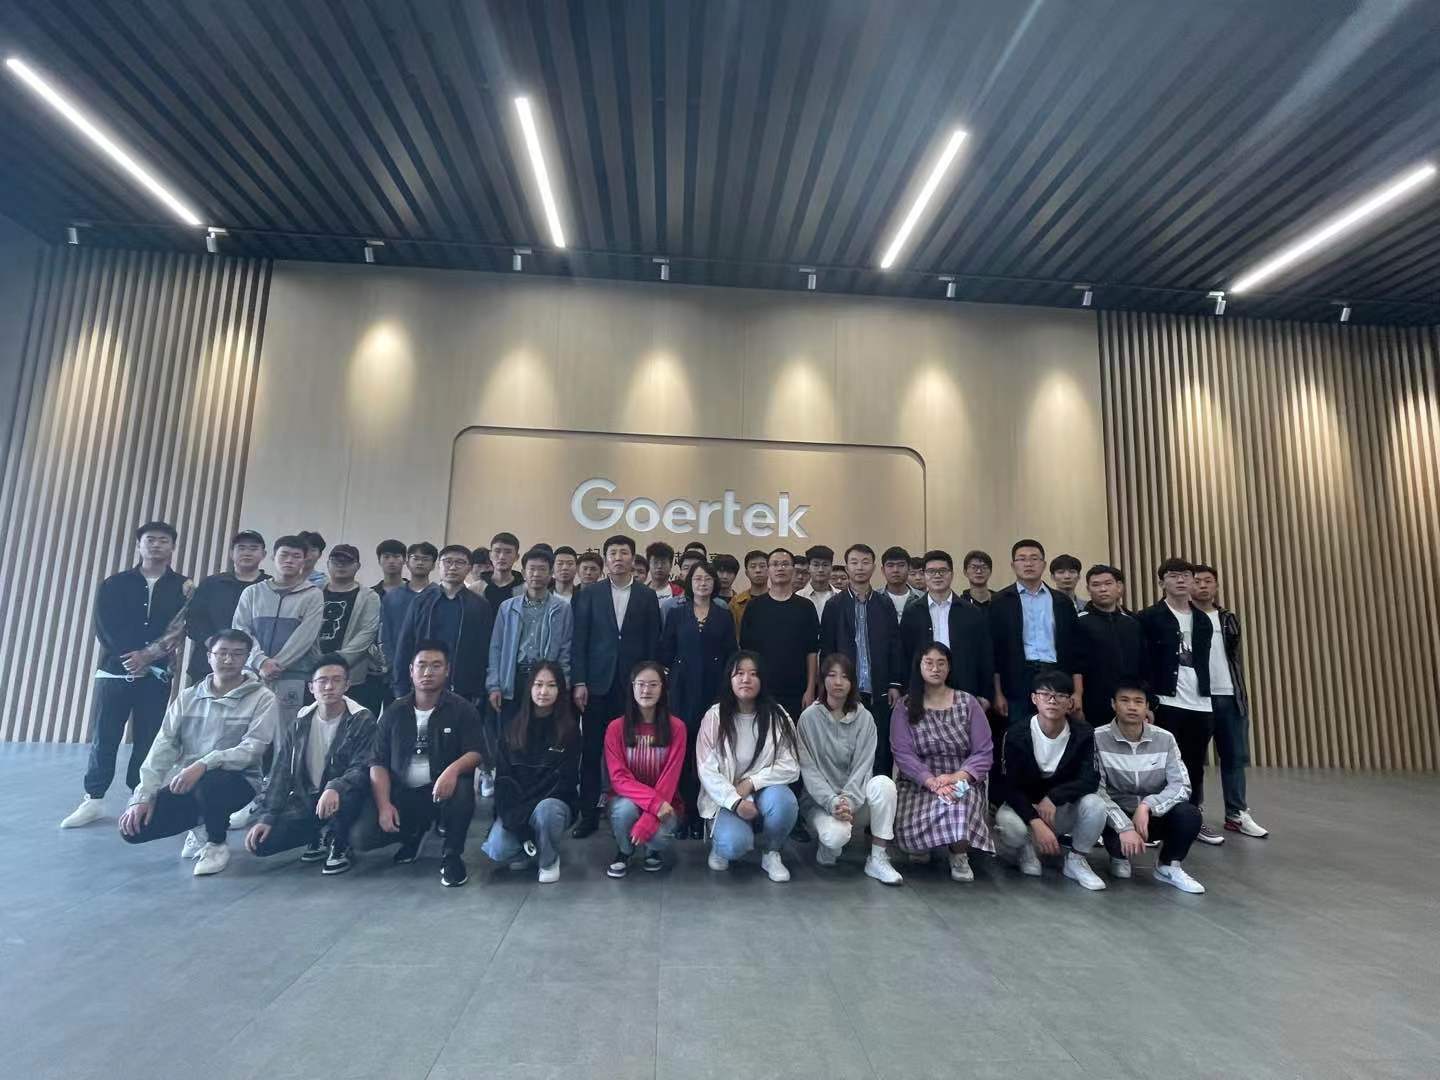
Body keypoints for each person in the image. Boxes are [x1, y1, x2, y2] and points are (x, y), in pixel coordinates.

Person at [62, 521, 194, 829]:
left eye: (163, 540)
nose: (156, 545)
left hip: (157, 673)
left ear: (173, 547)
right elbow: (104, 625)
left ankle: (139, 797)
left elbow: (180, 627)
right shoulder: (114, 583)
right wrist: (130, 657)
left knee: (148, 737)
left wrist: (147, 657)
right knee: (104, 736)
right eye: (150, 540)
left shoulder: (185, 587)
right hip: (114, 672)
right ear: (139, 545)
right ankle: (93, 799)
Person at [116, 629, 276, 875]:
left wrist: (204, 764)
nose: (228, 659)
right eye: (222, 653)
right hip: (188, 781)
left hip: (239, 780)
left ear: (246, 659)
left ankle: (216, 843)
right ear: (209, 656)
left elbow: (252, 749)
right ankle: (201, 823)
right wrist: (142, 797)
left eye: (237, 654)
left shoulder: (262, 697)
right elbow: (163, 746)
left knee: (211, 783)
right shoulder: (188, 697)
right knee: (133, 829)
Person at [359, 640, 483, 887]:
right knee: (361, 836)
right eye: (422, 665)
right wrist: (384, 805)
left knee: (463, 787)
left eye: (436, 666)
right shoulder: (394, 712)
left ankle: (452, 855)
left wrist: (452, 770)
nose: (428, 672)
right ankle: (413, 834)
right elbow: (377, 762)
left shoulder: (462, 709)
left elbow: (476, 752)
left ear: (447, 670)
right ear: (411, 670)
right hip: (403, 792)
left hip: (442, 792)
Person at [226, 534, 325, 830]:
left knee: (286, 742)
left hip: (292, 678)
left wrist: (277, 664)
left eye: (296, 556)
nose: (290, 561)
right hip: (253, 677)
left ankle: (275, 800)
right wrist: (259, 662)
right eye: (284, 555)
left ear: (305, 560)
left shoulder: (312, 595)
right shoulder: (253, 593)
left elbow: (306, 637)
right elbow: (241, 631)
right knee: (249, 738)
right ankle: (246, 798)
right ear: (273, 557)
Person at [244, 653, 376, 874]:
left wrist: (336, 786)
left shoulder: (361, 718)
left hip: (348, 796)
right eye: (322, 681)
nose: (329, 686)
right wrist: (268, 816)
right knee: (261, 841)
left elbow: (363, 767)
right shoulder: (300, 721)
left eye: (336, 680)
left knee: (352, 805)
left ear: (347, 685)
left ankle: (339, 841)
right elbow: (281, 770)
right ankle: (317, 834)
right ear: (311, 687)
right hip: (308, 799)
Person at [570, 533, 662, 837]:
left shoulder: (646, 596)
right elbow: (579, 642)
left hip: (632, 688)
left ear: (633, 559)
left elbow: (652, 643)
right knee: (591, 750)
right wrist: (579, 681)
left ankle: (630, 812)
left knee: (633, 752)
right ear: (605, 558)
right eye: (613, 553)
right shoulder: (589, 594)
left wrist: (648, 685)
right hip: (596, 685)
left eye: (624, 553)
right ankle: (588, 814)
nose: (618, 558)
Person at [992, 670, 1108, 889]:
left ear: (1070, 702)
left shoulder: (1083, 733)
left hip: (1060, 809)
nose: (1052, 701)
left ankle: (1076, 860)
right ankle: (1026, 849)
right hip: (1023, 808)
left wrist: (1054, 798)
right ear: (1034, 699)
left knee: (1096, 805)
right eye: (1045, 694)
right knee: (1012, 829)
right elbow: (1008, 786)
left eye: (1060, 695)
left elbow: (1090, 779)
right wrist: (1035, 821)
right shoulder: (1015, 734)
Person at [889, 643, 993, 881]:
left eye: (941, 663)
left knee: (959, 804)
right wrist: (931, 781)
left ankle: (959, 855)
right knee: (921, 812)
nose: (935, 669)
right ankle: (921, 844)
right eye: (929, 663)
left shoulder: (968, 703)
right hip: (919, 782)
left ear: (949, 667)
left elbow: (983, 751)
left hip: (961, 778)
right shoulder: (905, 706)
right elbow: (903, 753)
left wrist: (956, 778)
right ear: (919, 667)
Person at [1139, 557, 1224, 845]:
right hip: (1165, 700)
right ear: (1161, 582)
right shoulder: (1149, 617)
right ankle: (1154, 822)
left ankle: (1192, 818)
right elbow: (1143, 661)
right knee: (1158, 764)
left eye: (1186, 575)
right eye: (1173, 575)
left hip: (1200, 702)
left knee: (1193, 764)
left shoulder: (1203, 619)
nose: (1180, 580)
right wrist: (1148, 700)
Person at [796, 654, 902, 884]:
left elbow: (863, 766)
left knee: (884, 785)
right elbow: (809, 771)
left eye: (845, 677)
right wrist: (833, 802)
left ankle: (878, 858)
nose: (838, 682)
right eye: (832, 675)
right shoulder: (808, 719)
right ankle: (828, 846)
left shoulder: (865, 719)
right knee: (836, 837)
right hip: (820, 803)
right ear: (822, 680)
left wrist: (848, 801)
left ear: (853, 682)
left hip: (854, 802)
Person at [1093, 679, 1206, 893]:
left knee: (1189, 814)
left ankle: (1168, 865)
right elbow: (1096, 790)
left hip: (1152, 815)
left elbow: (1181, 785)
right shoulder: (1097, 738)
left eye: (1138, 701)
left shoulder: (1165, 739)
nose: (1132, 707)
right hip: (1116, 817)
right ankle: (1118, 855)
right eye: (1124, 700)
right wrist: (1124, 827)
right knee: (1120, 868)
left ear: (1147, 707)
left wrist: (1147, 806)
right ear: (1113, 704)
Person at [696, 652, 800, 881]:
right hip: (726, 796)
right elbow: (706, 770)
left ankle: (771, 852)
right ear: (730, 679)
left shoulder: (778, 716)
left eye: (753, 674)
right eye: (740, 673)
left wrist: (752, 782)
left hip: (764, 791)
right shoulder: (714, 717)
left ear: (762, 680)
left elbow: (791, 765)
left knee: (785, 802)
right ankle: (720, 845)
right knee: (734, 844)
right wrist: (735, 801)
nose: (746, 679)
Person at [658, 559, 736, 837]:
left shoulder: (724, 615)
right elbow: (665, 653)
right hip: (682, 690)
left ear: (715, 584)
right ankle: (685, 813)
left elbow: (731, 655)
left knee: (709, 752)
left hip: (714, 690)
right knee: (682, 751)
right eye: (697, 579)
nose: (703, 584)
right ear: (690, 583)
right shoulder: (676, 614)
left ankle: (706, 812)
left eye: (707, 579)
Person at [483, 661, 580, 883]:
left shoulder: (569, 731)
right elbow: (504, 782)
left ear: (560, 690)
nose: (544, 691)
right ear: (529, 688)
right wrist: (517, 822)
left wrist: (527, 813)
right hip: (518, 806)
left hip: (552, 803)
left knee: (547, 812)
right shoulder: (511, 728)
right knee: (497, 849)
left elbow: (564, 782)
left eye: (551, 685)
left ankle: (548, 860)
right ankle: (531, 847)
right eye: (538, 684)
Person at [1192, 564, 1268, 839]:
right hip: (1197, 697)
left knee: (1234, 757)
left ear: (1216, 586)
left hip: (1230, 695)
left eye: (1208, 581)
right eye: (1197, 581)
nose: (1202, 586)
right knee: (1194, 759)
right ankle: (1193, 812)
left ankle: (1236, 813)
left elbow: (1233, 656)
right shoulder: (1183, 617)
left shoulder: (1227, 618)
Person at [818, 542, 904, 775]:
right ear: (846, 567)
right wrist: (827, 685)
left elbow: (895, 645)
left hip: (878, 688)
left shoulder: (884, 603)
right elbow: (827, 648)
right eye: (854, 562)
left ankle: (879, 790)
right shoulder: (834, 605)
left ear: (874, 567)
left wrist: (894, 683)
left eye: (865, 562)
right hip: (845, 687)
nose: (860, 567)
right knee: (845, 747)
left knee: (880, 747)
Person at [603, 661, 687, 877]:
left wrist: (649, 820)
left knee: (657, 837)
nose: (646, 690)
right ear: (632, 687)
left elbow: (670, 779)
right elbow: (619, 779)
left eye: (653, 685)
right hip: (628, 801)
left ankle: (652, 851)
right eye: (640, 684)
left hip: (666, 803)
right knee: (624, 811)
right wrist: (654, 804)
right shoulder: (615, 728)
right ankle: (624, 851)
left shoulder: (677, 728)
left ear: (663, 689)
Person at [989, 538, 1080, 726]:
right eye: (1022, 559)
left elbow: (1075, 651)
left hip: (1056, 674)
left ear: (1044, 564)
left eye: (1034, 558)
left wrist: (1077, 692)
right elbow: (994, 651)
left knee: (1056, 732)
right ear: (1013, 565)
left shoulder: (1062, 602)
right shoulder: (1000, 601)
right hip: (1016, 679)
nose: (1028, 563)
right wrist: (997, 693)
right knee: (1019, 732)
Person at [391, 544, 494, 705]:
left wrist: (479, 690)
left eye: (459, 562)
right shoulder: (421, 602)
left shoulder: (480, 605)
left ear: (469, 568)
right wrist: (400, 688)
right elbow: (405, 644)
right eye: (447, 561)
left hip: (464, 689)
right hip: (423, 685)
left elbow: (484, 650)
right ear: (438, 565)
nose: (452, 567)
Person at [487, 546, 573, 730]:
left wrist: (563, 684)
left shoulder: (562, 609)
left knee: (542, 731)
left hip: (545, 680)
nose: (536, 574)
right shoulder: (507, 607)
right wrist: (494, 685)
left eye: (542, 569)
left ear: (551, 574)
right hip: (514, 678)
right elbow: (496, 648)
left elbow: (565, 650)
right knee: (510, 733)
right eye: (531, 569)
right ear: (523, 572)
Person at [899, 549, 994, 704]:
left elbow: (984, 654)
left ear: (952, 574)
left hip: (964, 686)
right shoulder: (912, 613)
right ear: (924, 575)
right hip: (924, 689)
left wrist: (985, 694)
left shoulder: (971, 612)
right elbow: (904, 655)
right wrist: (908, 691)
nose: (937, 576)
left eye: (942, 571)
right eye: (931, 571)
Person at [739, 548, 819, 722]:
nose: (780, 568)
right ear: (768, 570)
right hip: (762, 690)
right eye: (775, 564)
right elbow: (746, 652)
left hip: (797, 691)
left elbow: (812, 652)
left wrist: (810, 689)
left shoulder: (806, 607)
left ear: (793, 569)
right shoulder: (754, 607)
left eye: (785, 564)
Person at [184, 530, 267, 686]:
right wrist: (216, 646)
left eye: (253, 548)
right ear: (231, 553)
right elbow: (193, 620)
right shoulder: (212, 583)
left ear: (264, 554)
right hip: (207, 665)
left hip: (254, 667)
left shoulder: (269, 587)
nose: (247, 552)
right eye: (241, 548)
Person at [1073, 564, 1144, 729]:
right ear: (1088, 589)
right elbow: (1075, 665)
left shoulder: (1132, 623)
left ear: (1118, 587)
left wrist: (1146, 702)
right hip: (1093, 701)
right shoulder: (1079, 622)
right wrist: (1078, 698)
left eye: (1108, 583)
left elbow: (1144, 665)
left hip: (1129, 702)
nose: (1103, 589)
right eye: (1096, 585)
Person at [316, 544, 381, 699]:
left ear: (357, 566)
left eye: (347, 561)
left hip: (351, 674)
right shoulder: (313, 592)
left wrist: (340, 660)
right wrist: (316, 660)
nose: (341, 565)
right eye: (336, 561)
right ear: (327, 564)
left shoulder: (369, 597)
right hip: (313, 670)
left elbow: (367, 632)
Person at [354, 538, 407, 714]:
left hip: (401, 668)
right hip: (370, 669)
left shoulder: (414, 595)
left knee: (398, 719)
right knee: (366, 716)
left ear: (404, 560)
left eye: (396, 557)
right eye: (386, 557)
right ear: (379, 561)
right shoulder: (369, 594)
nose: (391, 561)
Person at [380, 541, 437, 677]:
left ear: (434, 565)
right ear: (407, 562)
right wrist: (391, 663)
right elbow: (385, 633)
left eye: (425, 559)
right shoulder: (392, 597)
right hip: (397, 666)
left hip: (431, 666)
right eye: (415, 558)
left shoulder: (439, 596)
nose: (420, 563)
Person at [728, 549, 770, 641]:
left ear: (769, 570)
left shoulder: (778, 599)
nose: (758, 570)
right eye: (753, 566)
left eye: (762, 566)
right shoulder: (736, 602)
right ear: (747, 573)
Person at [479, 531, 524, 611]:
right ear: (490, 555)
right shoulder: (476, 588)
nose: (502, 557)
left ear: (516, 557)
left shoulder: (525, 590)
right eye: (497, 551)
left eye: (508, 552)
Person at [879, 546, 919, 623]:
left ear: (909, 569)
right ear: (883, 570)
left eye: (901, 565)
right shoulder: (874, 598)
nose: (895, 570)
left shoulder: (923, 598)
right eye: (890, 565)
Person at [797, 544, 836, 618]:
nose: (820, 570)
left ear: (831, 568)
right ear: (808, 568)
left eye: (825, 565)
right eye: (816, 565)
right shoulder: (798, 596)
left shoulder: (841, 596)